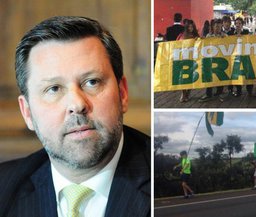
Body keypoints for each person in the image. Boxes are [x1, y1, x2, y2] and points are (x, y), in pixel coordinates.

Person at [0, 16, 150, 216]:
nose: (77, 105)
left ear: (122, 94)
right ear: (27, 112)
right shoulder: (5, 190)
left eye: (92, 82)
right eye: (53, 89)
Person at [199, 19, 228, 102]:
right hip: (210, 59)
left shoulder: (225, 35)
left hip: (221, 59)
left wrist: (225, 39)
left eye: (219, 26)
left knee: (220, 77)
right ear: (213, 27)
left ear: (221, 27)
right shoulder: (208, 36)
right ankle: (208, 94)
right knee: (209, 77)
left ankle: (219, 94)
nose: (217, 28)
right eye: (216, 26)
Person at [227, 17, 253, 97]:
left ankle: (249, 91)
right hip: (234, 56)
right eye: (236, 23)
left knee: (247, 73)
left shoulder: (246, 32)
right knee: (234, 73)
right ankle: (237, 91)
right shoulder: (230, 33)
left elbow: (250, 41)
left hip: (244, 55)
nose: (238, 25)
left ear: (242, 24)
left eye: (239, 23)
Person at [177, 19, 200, 103]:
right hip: (183, 59)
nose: (190, 28)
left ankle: (188, 93)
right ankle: (183, 93)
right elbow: (176, 46)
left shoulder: (196, 36)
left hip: (193, 59)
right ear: (186, 27)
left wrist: (199, 39)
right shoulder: (181, 36)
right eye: (189, 26)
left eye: (192, 26)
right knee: (182, 77)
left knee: (191, 77)